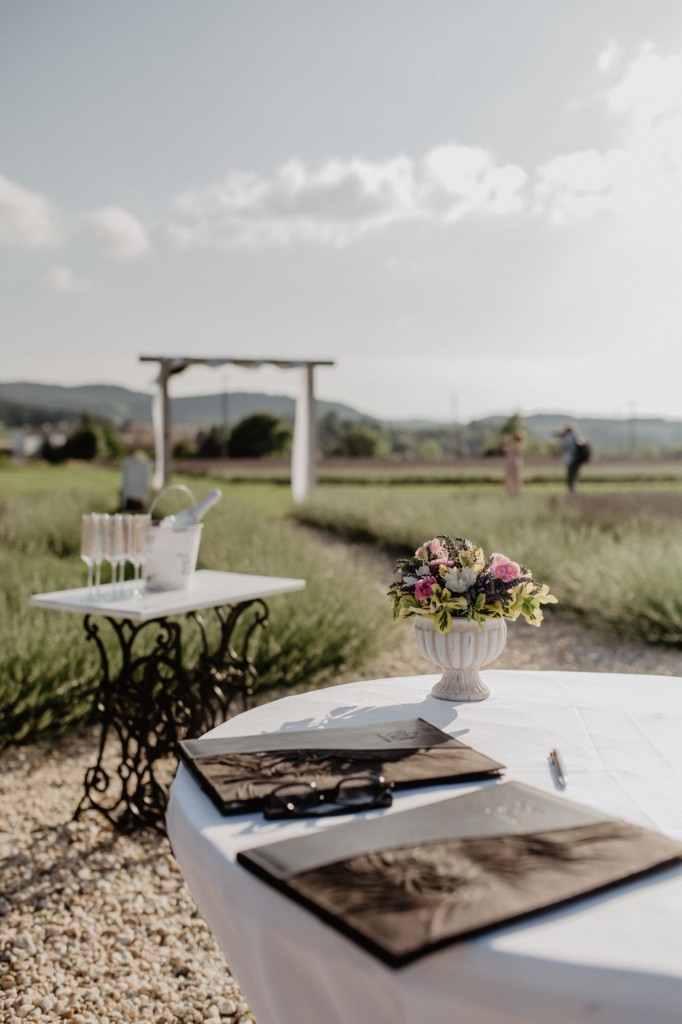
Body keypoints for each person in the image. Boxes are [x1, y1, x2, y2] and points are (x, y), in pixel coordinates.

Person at [557, 424, 580, 491]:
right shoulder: (576, 436)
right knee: (574, 474)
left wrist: (561, 439)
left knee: (570, 474)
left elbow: (563, 447)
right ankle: (573, 487)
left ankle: (571, 488)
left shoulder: (568, 438)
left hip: (571, 459)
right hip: (577, 458)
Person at [502, 431, 525, 496]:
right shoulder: (514, 445)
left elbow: (507, 449)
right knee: (510, 477)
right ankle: (510, 491)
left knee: (516, 477)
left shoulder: (519, 445)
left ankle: (515, 490)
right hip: (511, 462)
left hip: (515, 462)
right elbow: (505, 449)